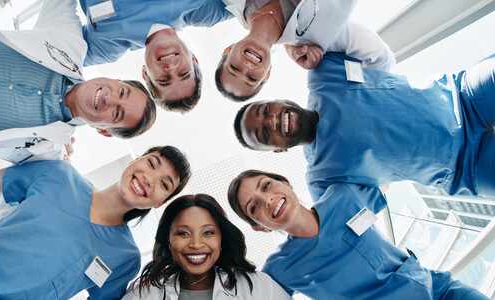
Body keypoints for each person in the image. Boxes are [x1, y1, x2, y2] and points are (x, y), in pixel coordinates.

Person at [0, 145, 191, 299]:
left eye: (164, 184)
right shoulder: (60, 176)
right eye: (151, 163)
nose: (149, 179)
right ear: (134, 160)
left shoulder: (123, 258)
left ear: (159, 203)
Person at [0, 0, 156, 162]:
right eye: (122, 92)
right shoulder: (69, 45)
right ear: (115, 78)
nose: (110, 98)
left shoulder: (46, 151)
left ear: (104, 131)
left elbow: (2, 187)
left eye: (117, 113)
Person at [234, 50, 495, 198]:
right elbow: (341, 228)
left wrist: (294, 43)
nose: (271, 120)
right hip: (466, 166)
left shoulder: (324, 73)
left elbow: (340, 28)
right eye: (264, 133)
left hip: (465, 95)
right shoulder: (322, 179)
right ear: (278, 150)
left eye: (265, 110)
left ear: (280, 99)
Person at [227, 169, 489, 300]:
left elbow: (387, 170)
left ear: (286, 183)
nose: (267, 199)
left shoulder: (343, 195)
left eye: (266, 186)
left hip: (440, 291)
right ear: (259, 227)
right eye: (254, 207)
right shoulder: (279, 269)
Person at [216, 0, 394, 101]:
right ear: (267, 73)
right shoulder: (319, 38)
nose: (246, 67)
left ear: (228, 50)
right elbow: (381, 59)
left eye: (234, 68)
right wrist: (340, 76)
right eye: (251, 78)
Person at [122, 193, 291, 299]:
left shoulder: (258, 286)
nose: (196, 244)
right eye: (183, 233)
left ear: (221, 238)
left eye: (208, 233)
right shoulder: (144, 292)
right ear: (168, 240)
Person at [79, 0, 234, 112]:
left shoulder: (107, 47)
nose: (171, 68)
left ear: (145, 73)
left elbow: (59, 62)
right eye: (183, 73)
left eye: (164, 80)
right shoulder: (204, 10)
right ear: (193, 58)